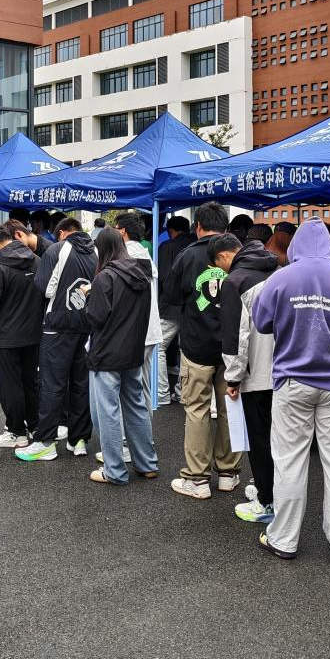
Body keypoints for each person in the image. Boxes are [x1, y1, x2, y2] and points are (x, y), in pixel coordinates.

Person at [251, 219, 330, 560]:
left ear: (295, 247)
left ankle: (284, 538)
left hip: (292, 383)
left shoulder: (280, 278)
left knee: (289, 461)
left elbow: (261, 322)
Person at [167, 202, 242, 500]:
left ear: (197, 226)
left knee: (197, 410)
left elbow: (172, 297)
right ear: (225, 228)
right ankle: (228, 473)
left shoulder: (186, 255)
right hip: (232, 348)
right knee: (229, 409)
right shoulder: (238, 255)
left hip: (196, 345)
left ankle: (197, 478)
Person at [16, 217, 96, 462]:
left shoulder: (56, 250)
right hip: (87, 323)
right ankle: (79, 439)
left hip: (57, 325)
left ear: (61, 233)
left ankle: (45, 442)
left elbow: (45, 288)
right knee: (81, 383)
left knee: (52, 384)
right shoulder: (96, 251)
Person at [213, 232, 279, 523]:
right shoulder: (279, 271)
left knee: (259, 438)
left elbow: (235, 337)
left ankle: (267, 501)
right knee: (281, 440)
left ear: (224, 256)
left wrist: (233, 378)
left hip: (256, 374)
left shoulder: (235, 281)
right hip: (286, 371)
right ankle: (276, 492)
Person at [85, 227, 159, 485]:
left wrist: (88, 297)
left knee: (107, 412)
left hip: (106, 353)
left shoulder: (104, 277)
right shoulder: (142, 273)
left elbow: (96, 317)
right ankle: (147, 463)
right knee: (136, 406)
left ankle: (114, 470)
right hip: (133, 350)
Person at [0, 226, 44, 449]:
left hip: (4, 335)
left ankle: (16, 431)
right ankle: (35, 426)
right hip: (33, 332)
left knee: (9, 385)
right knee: (30, 382)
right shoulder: (36, 260)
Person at [117, 212, 163, 407]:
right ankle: (145, 427)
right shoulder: (144, 253)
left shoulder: (124, 256)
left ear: (123, 231)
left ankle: (132, 426)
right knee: (143, 386)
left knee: (127, 388)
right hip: (149, 329)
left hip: (133, 331)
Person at [156, 215, 196, 405]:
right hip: (193, 304)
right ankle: (182, 391)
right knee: (186, 348)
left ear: (171, 231)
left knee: (158, 346)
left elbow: (164, 277)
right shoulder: (197, 245)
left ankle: (162, 392)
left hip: (171, 304)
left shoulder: (167, 247)